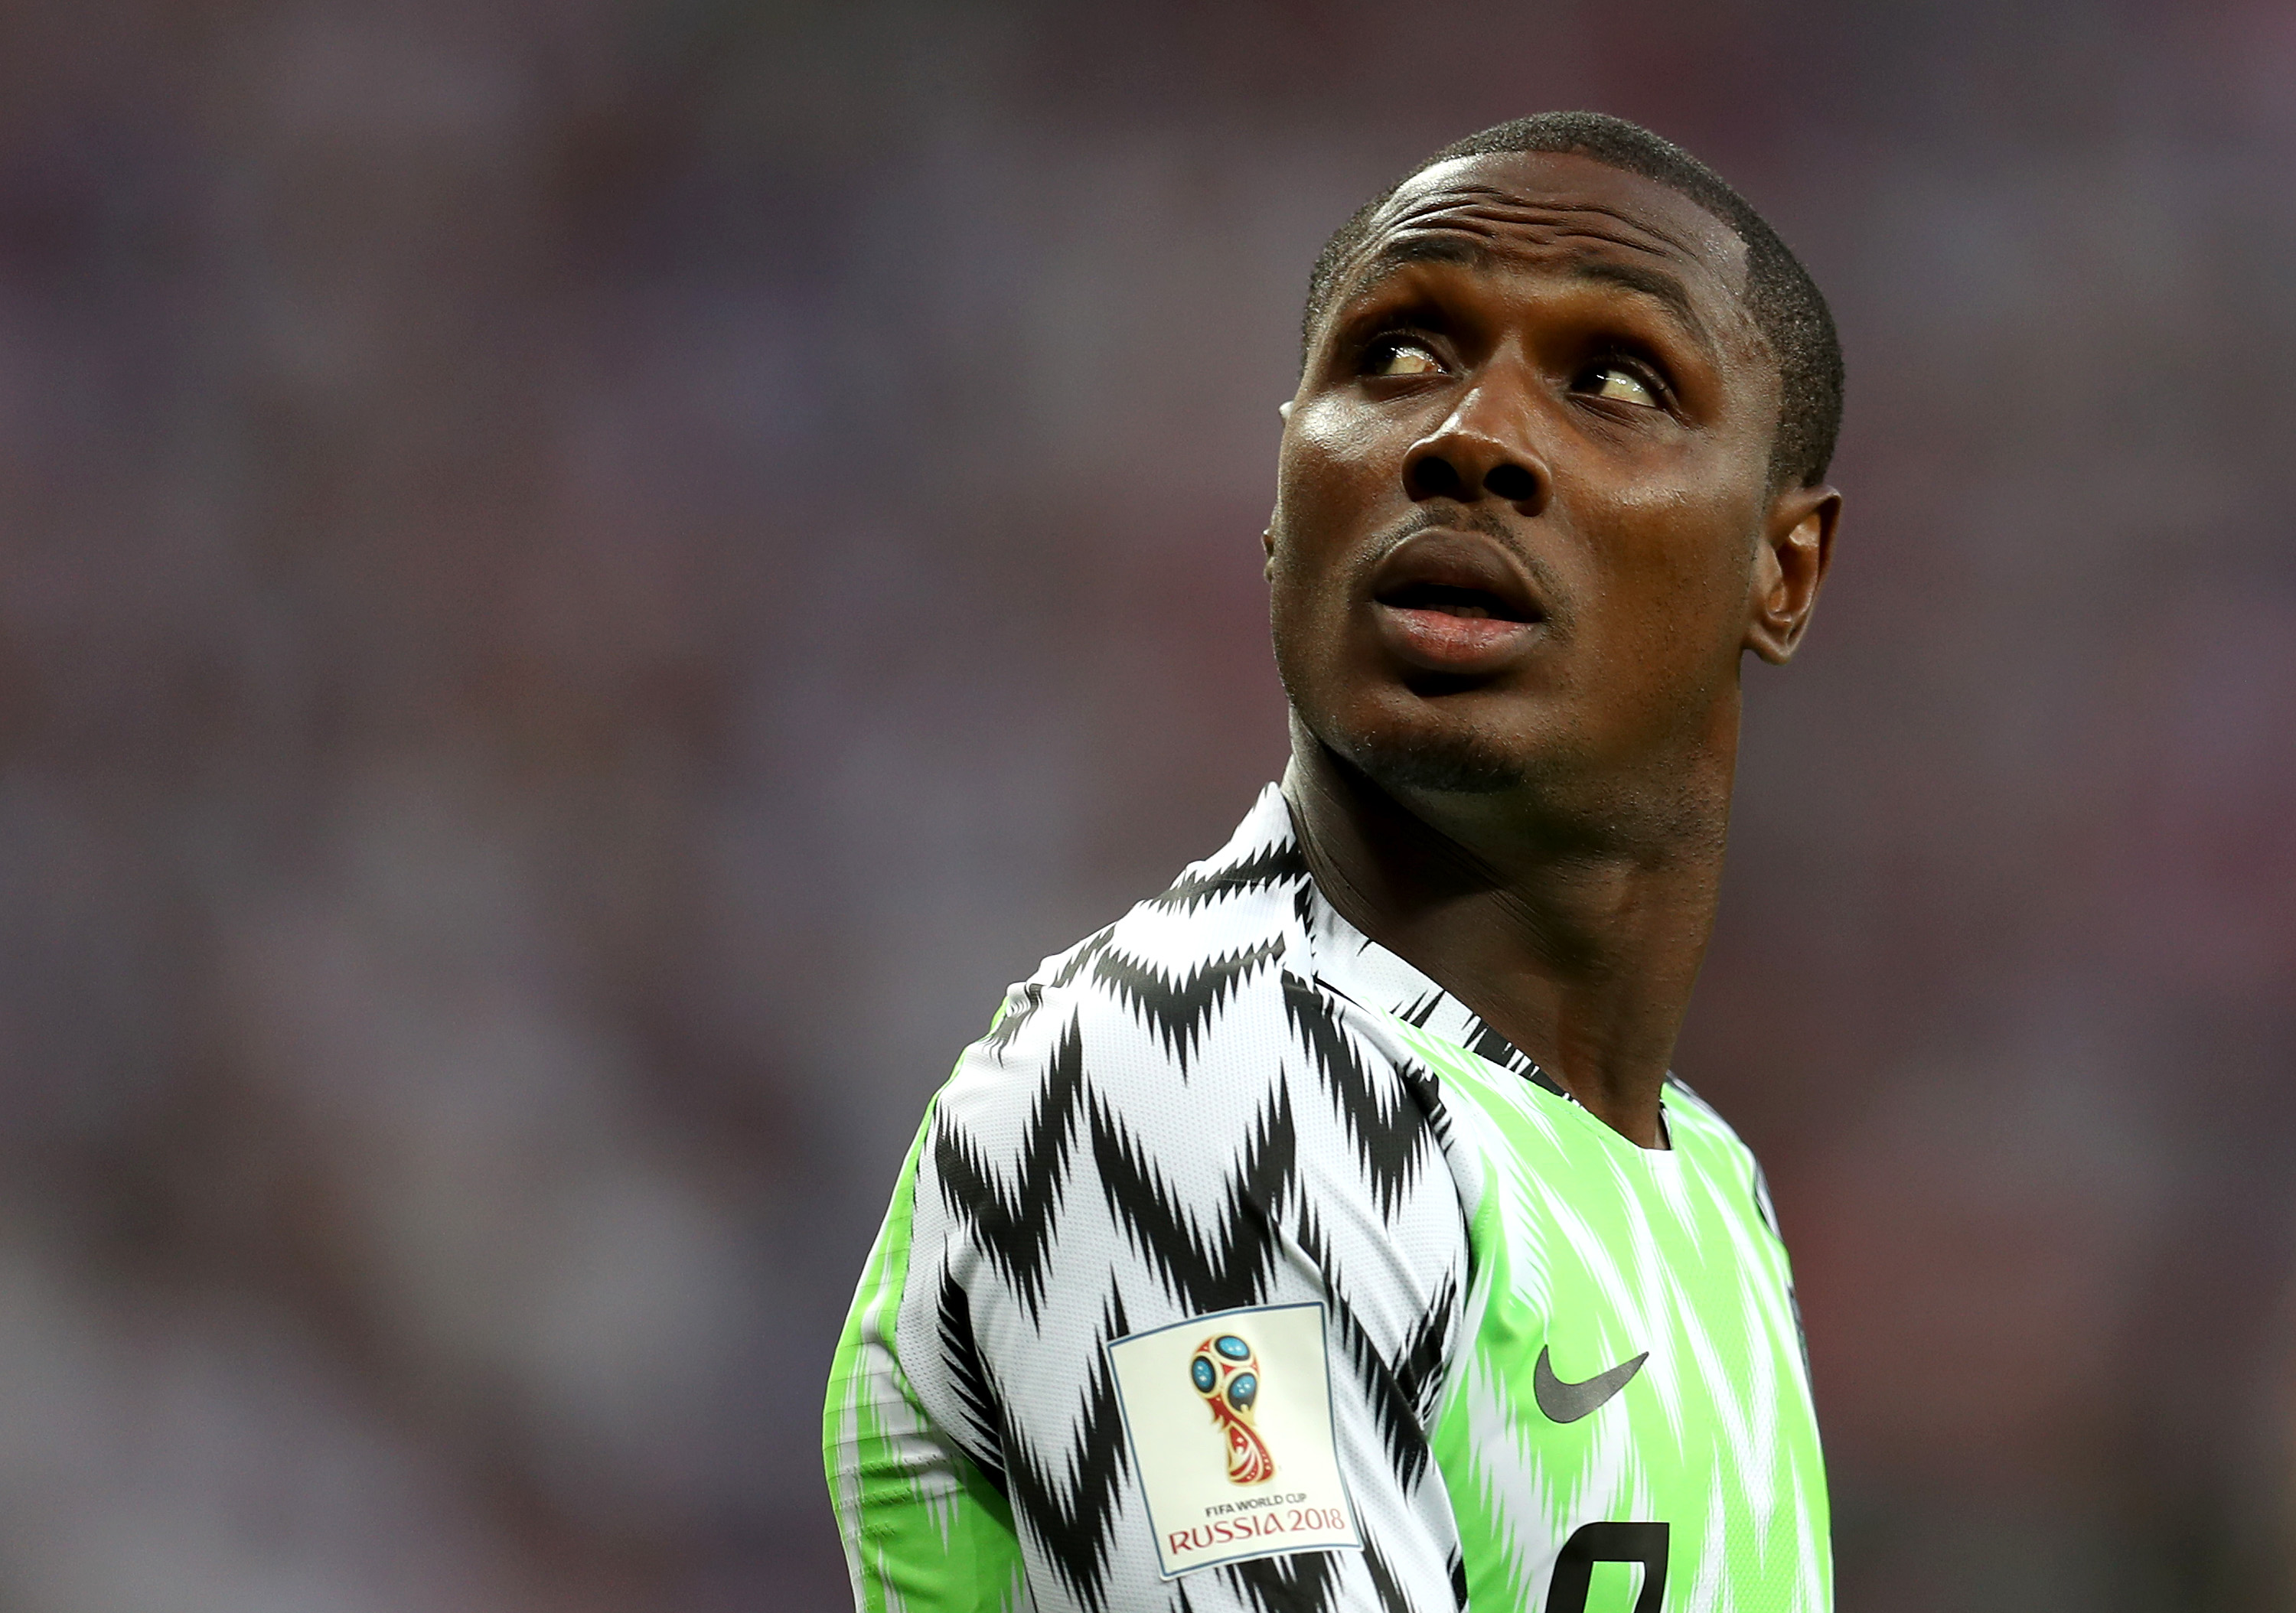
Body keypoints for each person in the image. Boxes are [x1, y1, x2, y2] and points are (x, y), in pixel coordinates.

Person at [825, 109, 1843, 1613]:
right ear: (1280, 509)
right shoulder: (1189, 1085)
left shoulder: (1698, 1183)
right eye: (1399, 358)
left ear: (1782, 568)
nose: (1471, 437)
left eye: (1614, 380)